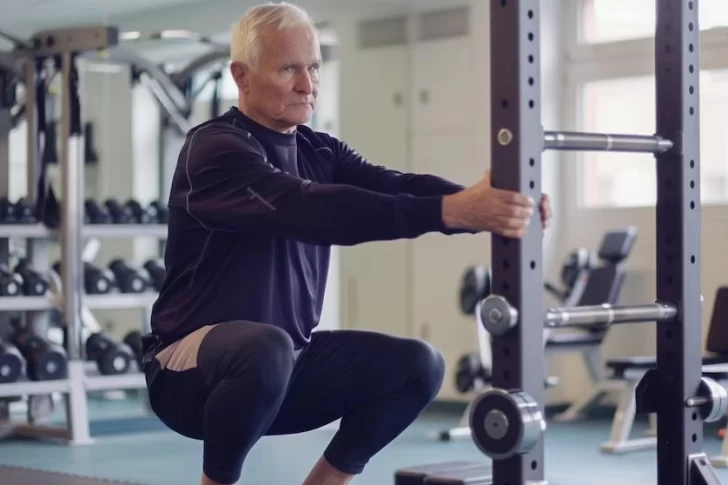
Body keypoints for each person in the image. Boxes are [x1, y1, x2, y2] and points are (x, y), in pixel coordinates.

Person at [140, 2, 552, 485]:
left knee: (418, 366)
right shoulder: (215, 149)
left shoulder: (319, 149)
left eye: (313, 66)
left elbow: (393, 186)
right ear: (242, 76)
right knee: (265, 348)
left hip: (283, 369)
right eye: (289, 68)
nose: (307, 85)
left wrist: (485, 204)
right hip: (188, 377)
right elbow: (313, 209)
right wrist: (454, 211)